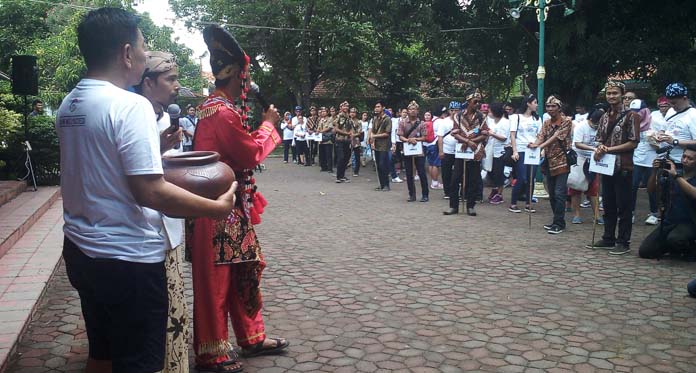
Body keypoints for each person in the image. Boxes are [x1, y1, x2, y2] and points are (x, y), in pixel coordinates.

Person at [57, 8, 237, 373]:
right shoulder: (130, 105)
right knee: (139, 362)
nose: (144, 53)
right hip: (127, 261)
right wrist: (214, 208)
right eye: (142, 47)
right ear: (126, 53)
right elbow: (150, 192)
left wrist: (153, 149)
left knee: (102, 355)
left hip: (81, 252)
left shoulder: (70, 104)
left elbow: (103, 168)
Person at [189, 25, 288, 372]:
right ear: (239, 76)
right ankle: (212, 353)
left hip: (229, 209)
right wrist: (268, 125)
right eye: (247, 77)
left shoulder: (214, 108)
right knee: (216, 281)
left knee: (244, 272)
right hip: (216, 210)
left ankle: (251, 337)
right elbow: (248, 155)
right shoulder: (223, 112)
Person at [133, 50, 191, 373]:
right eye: (170, 79)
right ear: (148, 82)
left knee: (176, 312)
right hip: (141, 231)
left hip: (170, 225)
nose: (177, 86)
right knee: (151, 319)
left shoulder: (169, 118)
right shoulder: (133, 116)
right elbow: (133, 174)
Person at [587, 81, 641, 254]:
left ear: (622, 95)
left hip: (623, 166)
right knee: (608, 203)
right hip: (606, 166)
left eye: (615, 93)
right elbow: (600, 139)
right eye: (609, 93)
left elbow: (633, 142)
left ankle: (623, 241)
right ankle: (608, 237)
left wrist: (609, 149)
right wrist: (600, 149)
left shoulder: (632, 116)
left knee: (623, 205)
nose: (611, 96)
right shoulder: (604, 116)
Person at [638, 145, 696, 259]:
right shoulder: (672, 173)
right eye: (684, 156)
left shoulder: (676, 175)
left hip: (690, 223)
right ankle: (672, 247)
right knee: (645, 251)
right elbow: (651, 190)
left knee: (675, 239)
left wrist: (676, 176)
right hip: (669, 221)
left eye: (690, 158)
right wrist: (654, 172)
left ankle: (691, 250)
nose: (685, 160)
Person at [529, 95, 572, 234]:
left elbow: (556, 137)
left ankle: (559, 222)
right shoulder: (546, 122)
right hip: (548, 161)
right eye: (548, 106)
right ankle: (557, 220)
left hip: (562, 161)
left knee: (560, 193)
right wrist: (535, 144)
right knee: (552, 194)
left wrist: (540, 146)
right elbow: (541, 135)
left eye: (553, 106)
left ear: (559, 108)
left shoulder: (566, 121)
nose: (550, 109)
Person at [444, 90, 488, 216]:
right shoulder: (458, 116)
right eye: (475, 102)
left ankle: (470, 206)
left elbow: (484, 134)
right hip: (461, 151)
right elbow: (455, 132)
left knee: (472, 179)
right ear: (468, 102)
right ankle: (453, 206)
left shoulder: (481, 117)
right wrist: (467, 141)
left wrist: (470, 141)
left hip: (474, 151)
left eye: (479, 102)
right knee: (455, 179)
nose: (477, 104)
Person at [508, 94, 542, 213]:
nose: (536, 105)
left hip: (533, 150)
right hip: (521, 149)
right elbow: (512, 134)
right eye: (535, 102)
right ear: (528, 103)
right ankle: (513, 203)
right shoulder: (516, 117)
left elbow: (540, 135)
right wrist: (515, 151)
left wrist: (536, 144)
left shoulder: (537, 119)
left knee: (531, 177)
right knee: (522, 177)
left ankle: (528, 203)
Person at [570, 108, 604, 225]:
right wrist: (593, 149)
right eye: (594, 124)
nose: (595, 126)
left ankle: (597, 215)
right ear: (590, 119)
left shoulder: (602, 127)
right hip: (579, 158)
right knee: (576, 187)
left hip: (594, 160)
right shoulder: (581, 127)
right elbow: (577, 143)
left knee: (594, 189)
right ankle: (576, 215)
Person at [630, 99, 660, 225]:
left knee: (651, 187)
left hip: (651, 160)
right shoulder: (631, 122)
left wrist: (654, 140)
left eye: (638, 112)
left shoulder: (655, 122)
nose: (636, 114)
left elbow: (662, 142)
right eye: (633, 112)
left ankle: (653, 212)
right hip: (636, 159)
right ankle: (630, 212)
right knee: (632, 186)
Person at [656, 83, 696, 165]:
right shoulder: (671, 111)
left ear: (684, 98)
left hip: (681, 162)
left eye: (674, 103)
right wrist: (659, 135)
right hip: (665, 159)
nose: (672, 106)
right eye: (670, 103)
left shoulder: (693, 115)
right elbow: (663, 128)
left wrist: (675, 141)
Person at [398, 101, 429, 202]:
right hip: (407, 149)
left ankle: (425, 194)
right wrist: (408, 140)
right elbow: (400, 135)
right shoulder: (402, 122)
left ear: (417, 111)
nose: (412, 111)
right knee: (409, 173)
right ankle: (412, 194)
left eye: (414, 109)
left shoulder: (422, 123)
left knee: (421, 172)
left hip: (419, 150)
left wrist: (416, 140)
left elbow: (424, 137)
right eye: (410, 109)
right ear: (407, 111)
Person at [486, 102, 510, 205]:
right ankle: (495, 189)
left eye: (490, 111)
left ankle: (499, 194)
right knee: (490, 171)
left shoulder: (505, 122)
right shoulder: (491, 121)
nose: (488, 112)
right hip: (490, 149)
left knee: (498, 172)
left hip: (500, 150)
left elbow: (504, 137)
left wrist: (492, 134)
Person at [438, 101, 460, 200]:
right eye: (452, 110)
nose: (454, 112)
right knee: (446, 172)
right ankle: (447, 192)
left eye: (457, 110)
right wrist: (441, 151)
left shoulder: (462, 121)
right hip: (447, 150)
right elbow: (440, 137)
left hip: (459, 150)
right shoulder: (444, 121)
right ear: (449, 111)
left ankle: (458, 191)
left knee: (459, 172)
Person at [370, 101, 392, 191]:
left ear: (383, 108)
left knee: (383, 165)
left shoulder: (387, 119)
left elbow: (387, 133)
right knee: (378, 165)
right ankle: (381, 184)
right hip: (377, 144)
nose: (376, 108)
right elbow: (373, 131)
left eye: (378, 106)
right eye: (375, 107)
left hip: (384, 145)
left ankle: (386, 184)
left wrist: (374, 136)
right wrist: (372, 141)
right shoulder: (375, 119)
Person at [334, 101, 353, 183]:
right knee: (341, 158)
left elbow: (351, 128)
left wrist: (351, 135)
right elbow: (336, 129)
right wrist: (346, 133)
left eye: (347, 106)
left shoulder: (349, 117)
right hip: (340, 139)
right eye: (344, 106)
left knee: (346, 158)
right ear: (341, 107)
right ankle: (338, 176)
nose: (346, 108)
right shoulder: (338, 117)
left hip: (347, 140)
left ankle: (342, 175)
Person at [424, 110, 442, 189]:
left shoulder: (422, 123)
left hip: (426, 145)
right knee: (436, 165)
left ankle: (433, 181)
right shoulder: (437, 121)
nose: (427, 117)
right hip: (434, 144)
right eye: (426, 115)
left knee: (430, 164)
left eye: (428, 115)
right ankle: (435, 183)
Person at [317, 106, 334, 173]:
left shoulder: (330, 119)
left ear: (327, 112)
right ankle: (323, 167)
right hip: (321, 140)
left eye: (324, 111)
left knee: (328, 154)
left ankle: (330, 168)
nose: (323, 113)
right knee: (322, 154)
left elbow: (329, 128)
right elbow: (318, 127)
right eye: (322, 112)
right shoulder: (321, 119)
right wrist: (318, 131)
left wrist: (321, 131)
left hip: (328, 139)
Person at [349, 107, 364, 177]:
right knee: (346, 155)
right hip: (347, 139)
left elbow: (360, 132)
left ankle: (356, 171)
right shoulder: (347, 121)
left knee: (357, 156)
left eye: (354, 112)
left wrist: (353, 135)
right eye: (351, 112)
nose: (352, 113)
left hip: (356, 140)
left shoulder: (359, 122)